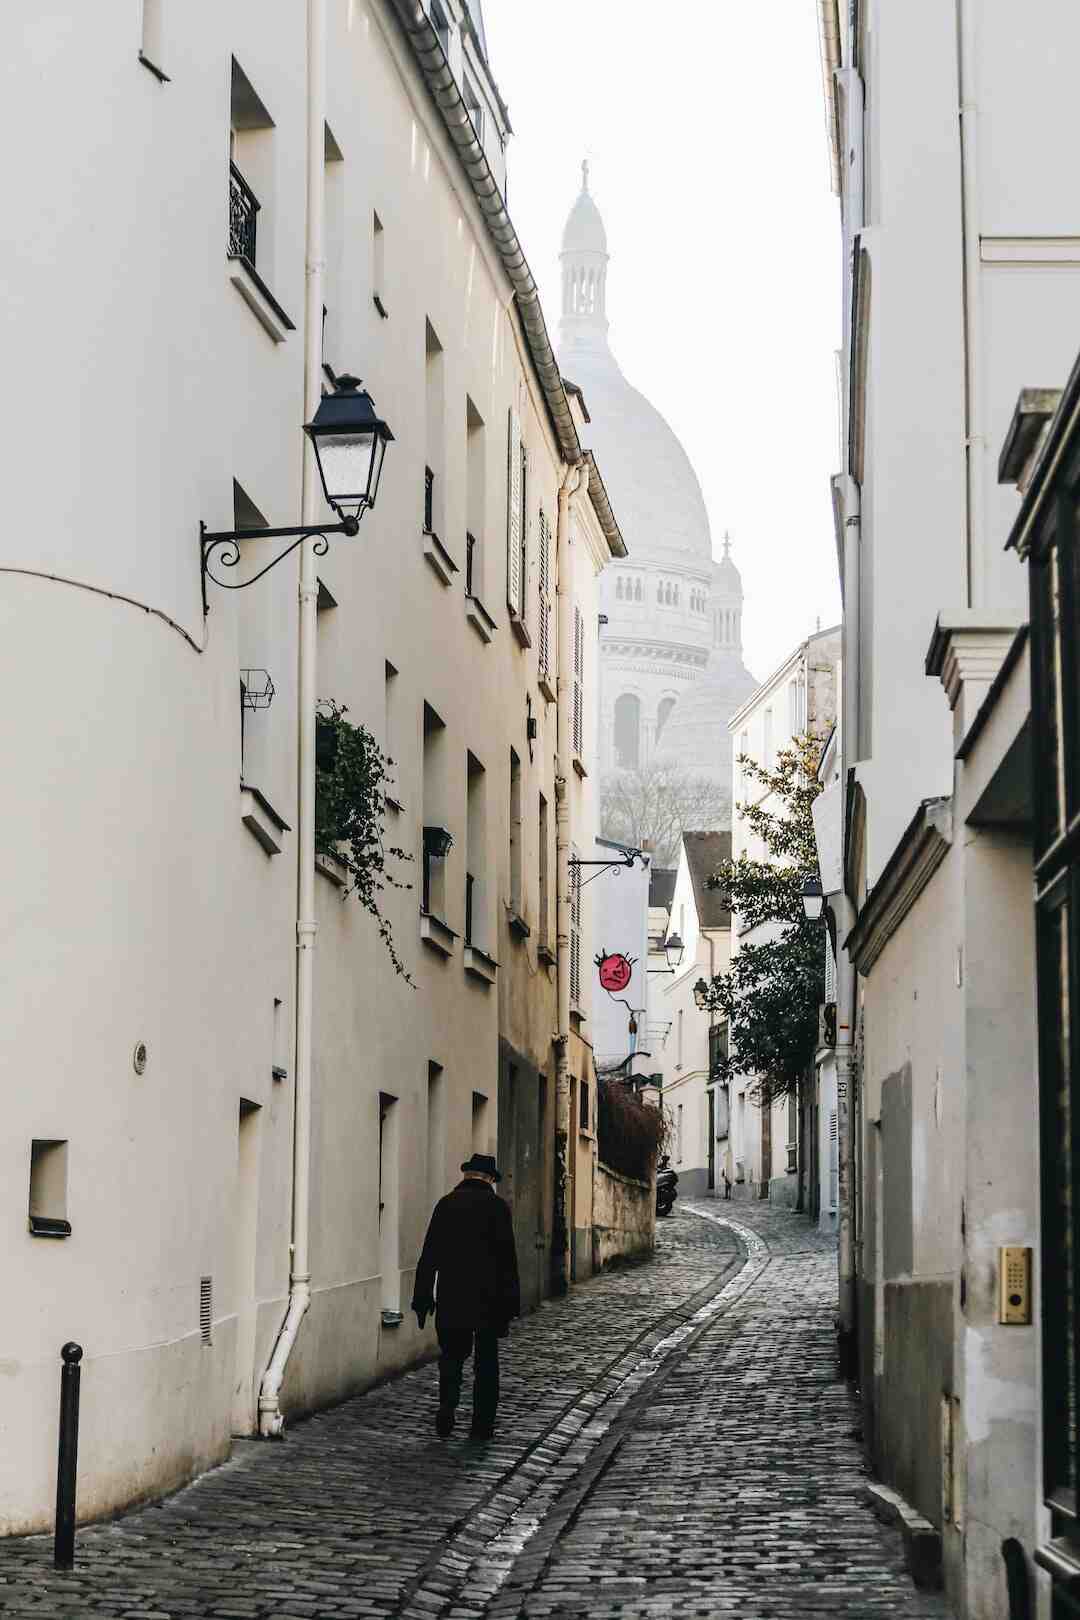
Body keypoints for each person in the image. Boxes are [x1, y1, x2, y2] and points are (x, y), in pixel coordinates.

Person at [412, 1152, 520, 1441]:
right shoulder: (498, 1208)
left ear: (467, 1176)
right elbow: (507, 1260)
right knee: (486, 1362)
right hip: (488, 1299)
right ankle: (481, 1425)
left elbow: (429, 1255)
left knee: (451, 1357)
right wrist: (511, 1304)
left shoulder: (446, 1205)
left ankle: (447, 1405)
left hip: (452, 1295)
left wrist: (422, 1298)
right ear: (488, 1179)